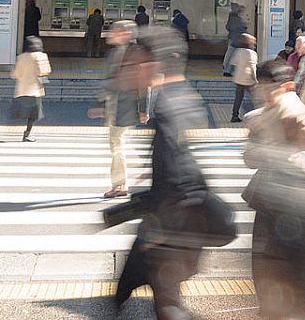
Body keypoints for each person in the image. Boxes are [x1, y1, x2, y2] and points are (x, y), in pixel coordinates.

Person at [114, 28, 219, 319]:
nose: (129, 71)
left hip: (174, 229)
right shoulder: (183, 95)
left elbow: (178, 176)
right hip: (179, 224)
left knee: (168, 303)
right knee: (160, 296)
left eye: (134, 64)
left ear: (153, 65)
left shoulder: (167, 108)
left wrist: (159, 229)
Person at [243, 58, 305, 320]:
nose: (261, 94)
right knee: (265, 270)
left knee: (298, 278)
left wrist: (297, 159)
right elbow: (249, 158)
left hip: (294, 209)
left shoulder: (299, 114)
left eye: (268, 88)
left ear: (286, 87)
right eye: (259, 88)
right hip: (268, 205)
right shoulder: (260, 117)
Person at [91, 20, 145, 198]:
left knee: (116, 143)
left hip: (128, 103)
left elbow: (144, 83)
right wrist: (101, 104)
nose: (111, 33)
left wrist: (143, 108)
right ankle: (140, 169)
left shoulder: (136, 53)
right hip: (114, 103)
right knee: (119, 142)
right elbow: (108, 80)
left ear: (126, 34)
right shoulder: (113, 53)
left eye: (115, 30)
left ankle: (120, 185)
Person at [12, 37, 51, 142]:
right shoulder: (41, 56)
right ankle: (27, 134)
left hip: (22, 90)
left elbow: (16, 74)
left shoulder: (21, 57)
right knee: (33, 115)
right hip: (35, 90)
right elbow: (45, 71)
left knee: (23, 112)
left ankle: (21, 132)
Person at [230, 34, 259, 122]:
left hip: (238, 78)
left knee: (238, 98)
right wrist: (255, 79)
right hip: (248, 79)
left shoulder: (238, 51)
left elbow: (233, 63)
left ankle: (234, 116)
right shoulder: (251, 53)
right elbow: (253, 68)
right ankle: (257, 116)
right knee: (255, 98)